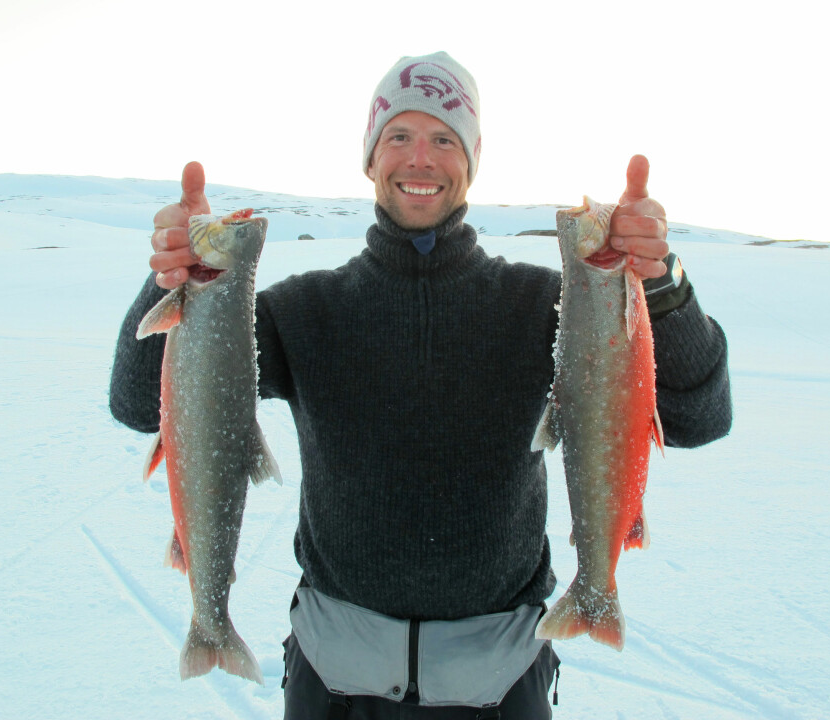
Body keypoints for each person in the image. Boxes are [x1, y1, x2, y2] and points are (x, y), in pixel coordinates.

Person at [109, 52, 731, 719]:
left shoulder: (548, 306)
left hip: (501, 683)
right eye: (399, 137)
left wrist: (656, 282)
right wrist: (178, 283)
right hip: (334, 683)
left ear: (472, 159)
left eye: (443, 138)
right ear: (370, 158)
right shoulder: (305, 309)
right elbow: (141, 403)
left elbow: (699, 416)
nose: (420, 159)